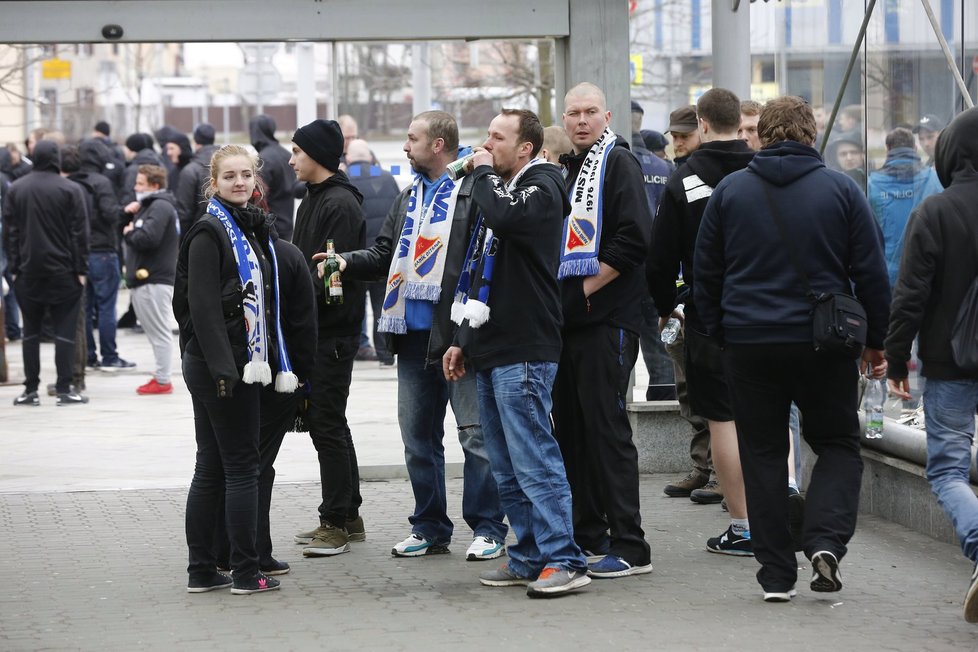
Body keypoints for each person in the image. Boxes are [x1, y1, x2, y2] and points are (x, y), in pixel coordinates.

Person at [694, 95, 890, 602]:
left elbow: (705, 275)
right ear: (810, 136)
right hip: (824, 344)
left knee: (762, 453)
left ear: (761, 136)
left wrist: (720, 332)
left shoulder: (731, 192)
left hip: (749, 344)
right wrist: (876, 343)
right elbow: (871, 273)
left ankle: (776, 575)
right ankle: (824, 541)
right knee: (838, 444)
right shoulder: (842, 191)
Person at [334, 110, 507, 561]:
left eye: (412, 139)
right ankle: (429, 527)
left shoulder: (472, 192)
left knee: (475, 437)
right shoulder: (409, 196)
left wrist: (468, 333)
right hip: (410, 339)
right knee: (417, 439)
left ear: (438, 145)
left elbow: (484, 261)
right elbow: (385, 252)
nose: (405, 147)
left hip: (457, 337)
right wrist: (347, 263)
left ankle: (488, 528)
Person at [443, 108, 590, 597]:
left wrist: (481, 169)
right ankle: (527, 556)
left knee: (534, 458)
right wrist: (464, 340)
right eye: (486, 137)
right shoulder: (501, 189)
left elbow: (508, 214)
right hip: (491, 347)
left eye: (498, 138)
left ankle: (565, 559)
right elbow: (481, 273)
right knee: (505, 463)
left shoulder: (545, 184)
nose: (487, 145)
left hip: (525, 348)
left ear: (525, 147)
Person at [173, 144, 304, 594]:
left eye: (246, 175)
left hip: (234, 363)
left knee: (212, 466)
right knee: (241, 468)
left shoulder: (252, 229)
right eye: (229, 176)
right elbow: (200, 307)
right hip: (225, 369)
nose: (240, 183)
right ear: (214, 183)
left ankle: (203, 571)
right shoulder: (209, 231)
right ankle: (247, 573)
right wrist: (225, 370)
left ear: (257, 179)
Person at [647, 88, 756, 554]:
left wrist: (664, 305)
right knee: (771, 415)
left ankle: (744, 526)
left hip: (710, 314)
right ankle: (781, 500)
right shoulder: (762, 170)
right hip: (770, 314)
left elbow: (660, 258)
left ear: (704, 125)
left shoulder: (685, 177)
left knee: (723, 420)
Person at [554, 82, 653, 578]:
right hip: (569, 324)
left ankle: (631, 545)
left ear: (608, 116)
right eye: (573, 113)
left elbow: (635, 238)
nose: (581, 121)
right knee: (572, 432)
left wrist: (584, 290)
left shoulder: (618, 163)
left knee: (607, 431)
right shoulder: (568, 167)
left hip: (606, 319)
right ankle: (586, 533)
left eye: (591, 112)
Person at [885, 106, 978, 624]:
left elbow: (910, 295)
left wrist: (898, 358)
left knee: (946, 468)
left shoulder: (937, 211)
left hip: (949, 362)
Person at [288, 119, 367, 557]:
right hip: (318, 330)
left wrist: (300, 310)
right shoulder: (315, 198)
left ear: (317, 154)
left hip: (330, 334)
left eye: (297, 151)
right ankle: (348, 515)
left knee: (326, 424)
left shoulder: (338, 203)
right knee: (330, 423)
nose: (291, 159)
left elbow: (328, 278)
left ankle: (335, 522)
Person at [2, 140, 90, 406]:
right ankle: (64, 388)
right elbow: (80, 233)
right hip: (65, 272)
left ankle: (30, 390)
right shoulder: (71, 189)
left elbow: (10, 232)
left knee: (31, 333)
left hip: (28, 272)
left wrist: (15, 268)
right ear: (57, 159)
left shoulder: (16, 189)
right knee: (64, 332)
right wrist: (81, 269)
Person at [73, 139, 131, 372]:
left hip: (79, 253)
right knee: (107, 306)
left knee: (85, 307)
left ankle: (88, 355)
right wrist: (123, 211)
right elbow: (109, 215)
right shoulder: (102, 183)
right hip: (103, 251)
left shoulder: (71, 182)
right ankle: (109, 355)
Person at [631, 99, 675, 401]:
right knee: (658, 348)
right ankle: (662, 397)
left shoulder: (617, 160)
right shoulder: (666, 168)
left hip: (620, 271)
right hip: (656, 269)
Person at [121, 165, 179, 395]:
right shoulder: (150, 206)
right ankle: (161, 375)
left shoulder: (161, 206)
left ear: (154, 186)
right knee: (155, 332)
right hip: (146, 279)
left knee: (160, 332)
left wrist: (130, 232)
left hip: (153, 279)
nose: (135, 187)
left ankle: (163, 380)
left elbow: (148, 238)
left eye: (140, 183)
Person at [866, 127, 943, 288]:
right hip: (928, 274)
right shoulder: (934, 179)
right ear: (915, 149)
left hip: (886, 278)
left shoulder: (872, 185)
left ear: (888, 150)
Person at [345, 137, 399, 366]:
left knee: (354, 305)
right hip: (381, 254)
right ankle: (386, 354)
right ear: (369, 156)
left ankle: (354, 349)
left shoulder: (345, 179)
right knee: (380, 305)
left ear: (348, 158)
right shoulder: (386, 177)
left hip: (354, 256)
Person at [249, 114, 298, 241]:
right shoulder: (287, 155)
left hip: (270, 227)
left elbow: (258, 197)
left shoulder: (263, 159)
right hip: (287, 224)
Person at [176, 124, 219, 238]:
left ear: (195, 141)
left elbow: (184, 212)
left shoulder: (190, 170)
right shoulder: (225, 164)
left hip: (198, 234)